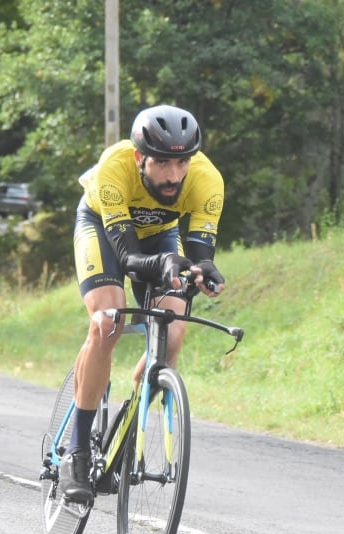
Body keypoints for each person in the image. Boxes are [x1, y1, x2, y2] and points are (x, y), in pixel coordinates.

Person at [61, 105, 226, 504]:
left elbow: (201, 249)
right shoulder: (113, 170)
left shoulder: (207, 180)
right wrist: (165, 262)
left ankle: (131, 414)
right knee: (107, 322)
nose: (174, 176)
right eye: (163, 164)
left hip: (161, 236)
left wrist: (204, 270)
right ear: (140, 157)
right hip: (104, 230)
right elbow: (128, 255)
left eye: (182, 162)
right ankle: (77, 451)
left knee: (172, 331)